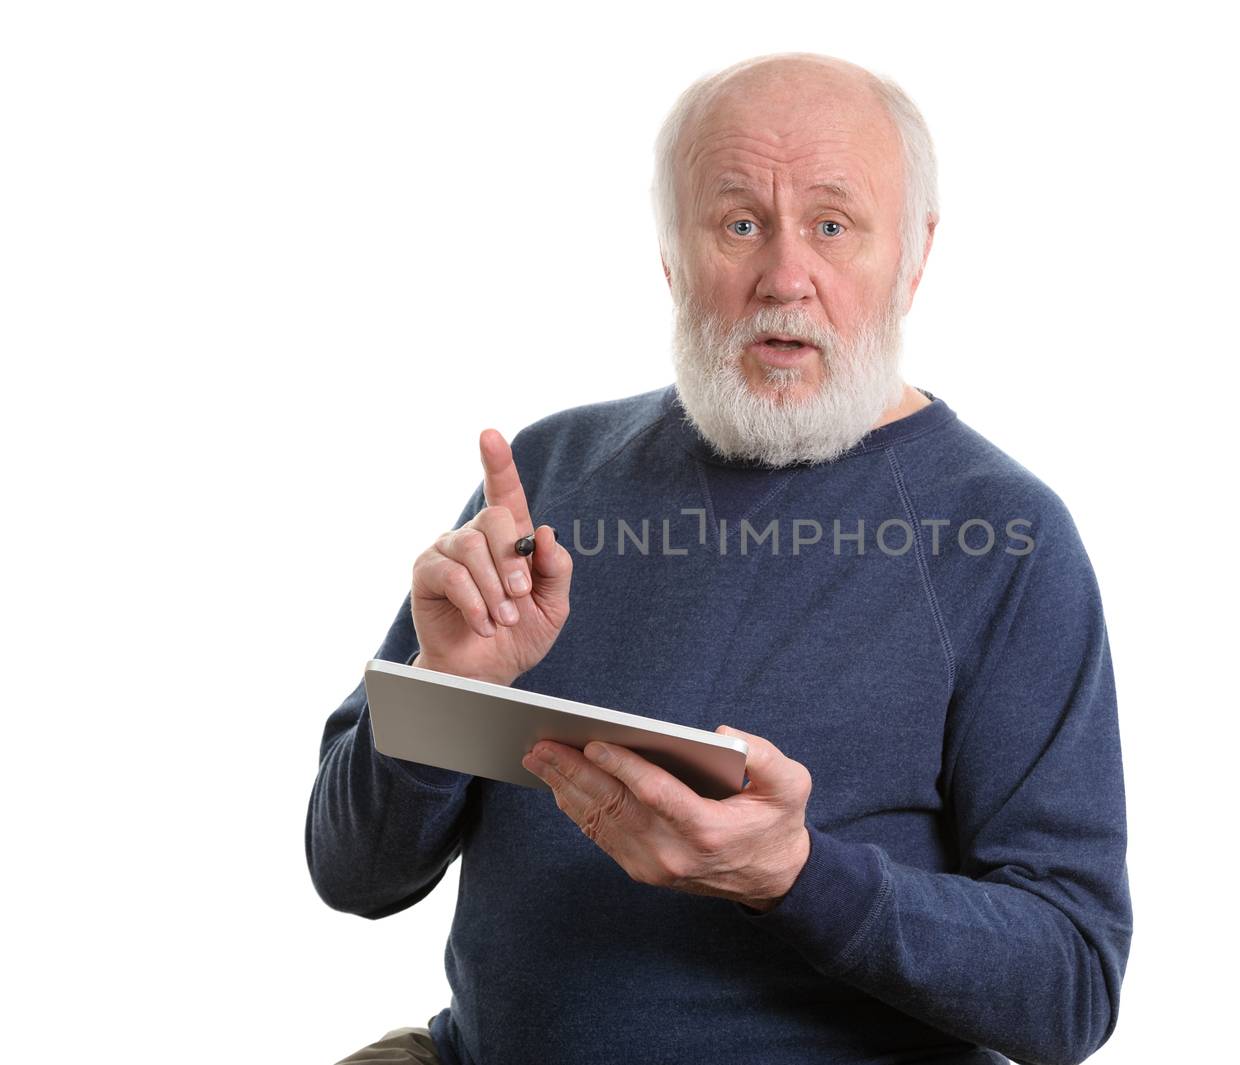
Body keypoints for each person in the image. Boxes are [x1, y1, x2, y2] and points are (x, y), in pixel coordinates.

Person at [309, 52, 1132, 1065]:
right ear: (670, 254)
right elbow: (351, 873)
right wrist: (441, 691)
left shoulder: (1006, 538)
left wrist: (793, 874)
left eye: (833, 225)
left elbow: (1071, 986)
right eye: (739, 223)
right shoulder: (546, 474)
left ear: (913, 257)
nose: (785, 277)